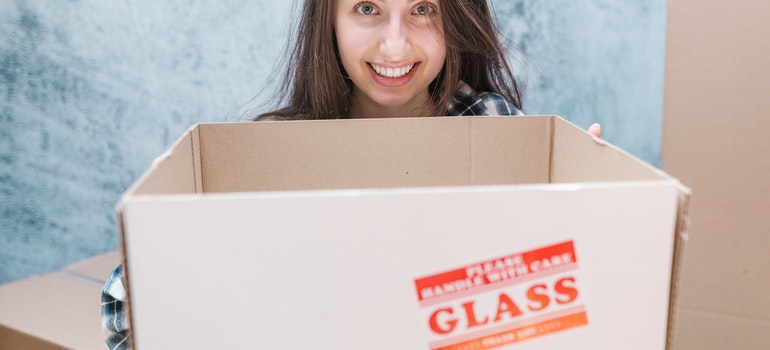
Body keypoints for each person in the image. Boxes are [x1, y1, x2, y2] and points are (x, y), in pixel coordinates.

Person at [101, 0, 600, 348]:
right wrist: (157, 251)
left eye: (423, 8)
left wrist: (593, 219)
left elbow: (555, 309)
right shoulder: (269, 156)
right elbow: (123, 331)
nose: (395, 45)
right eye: (367, 8)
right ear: (330, 21)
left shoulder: (493, 127)